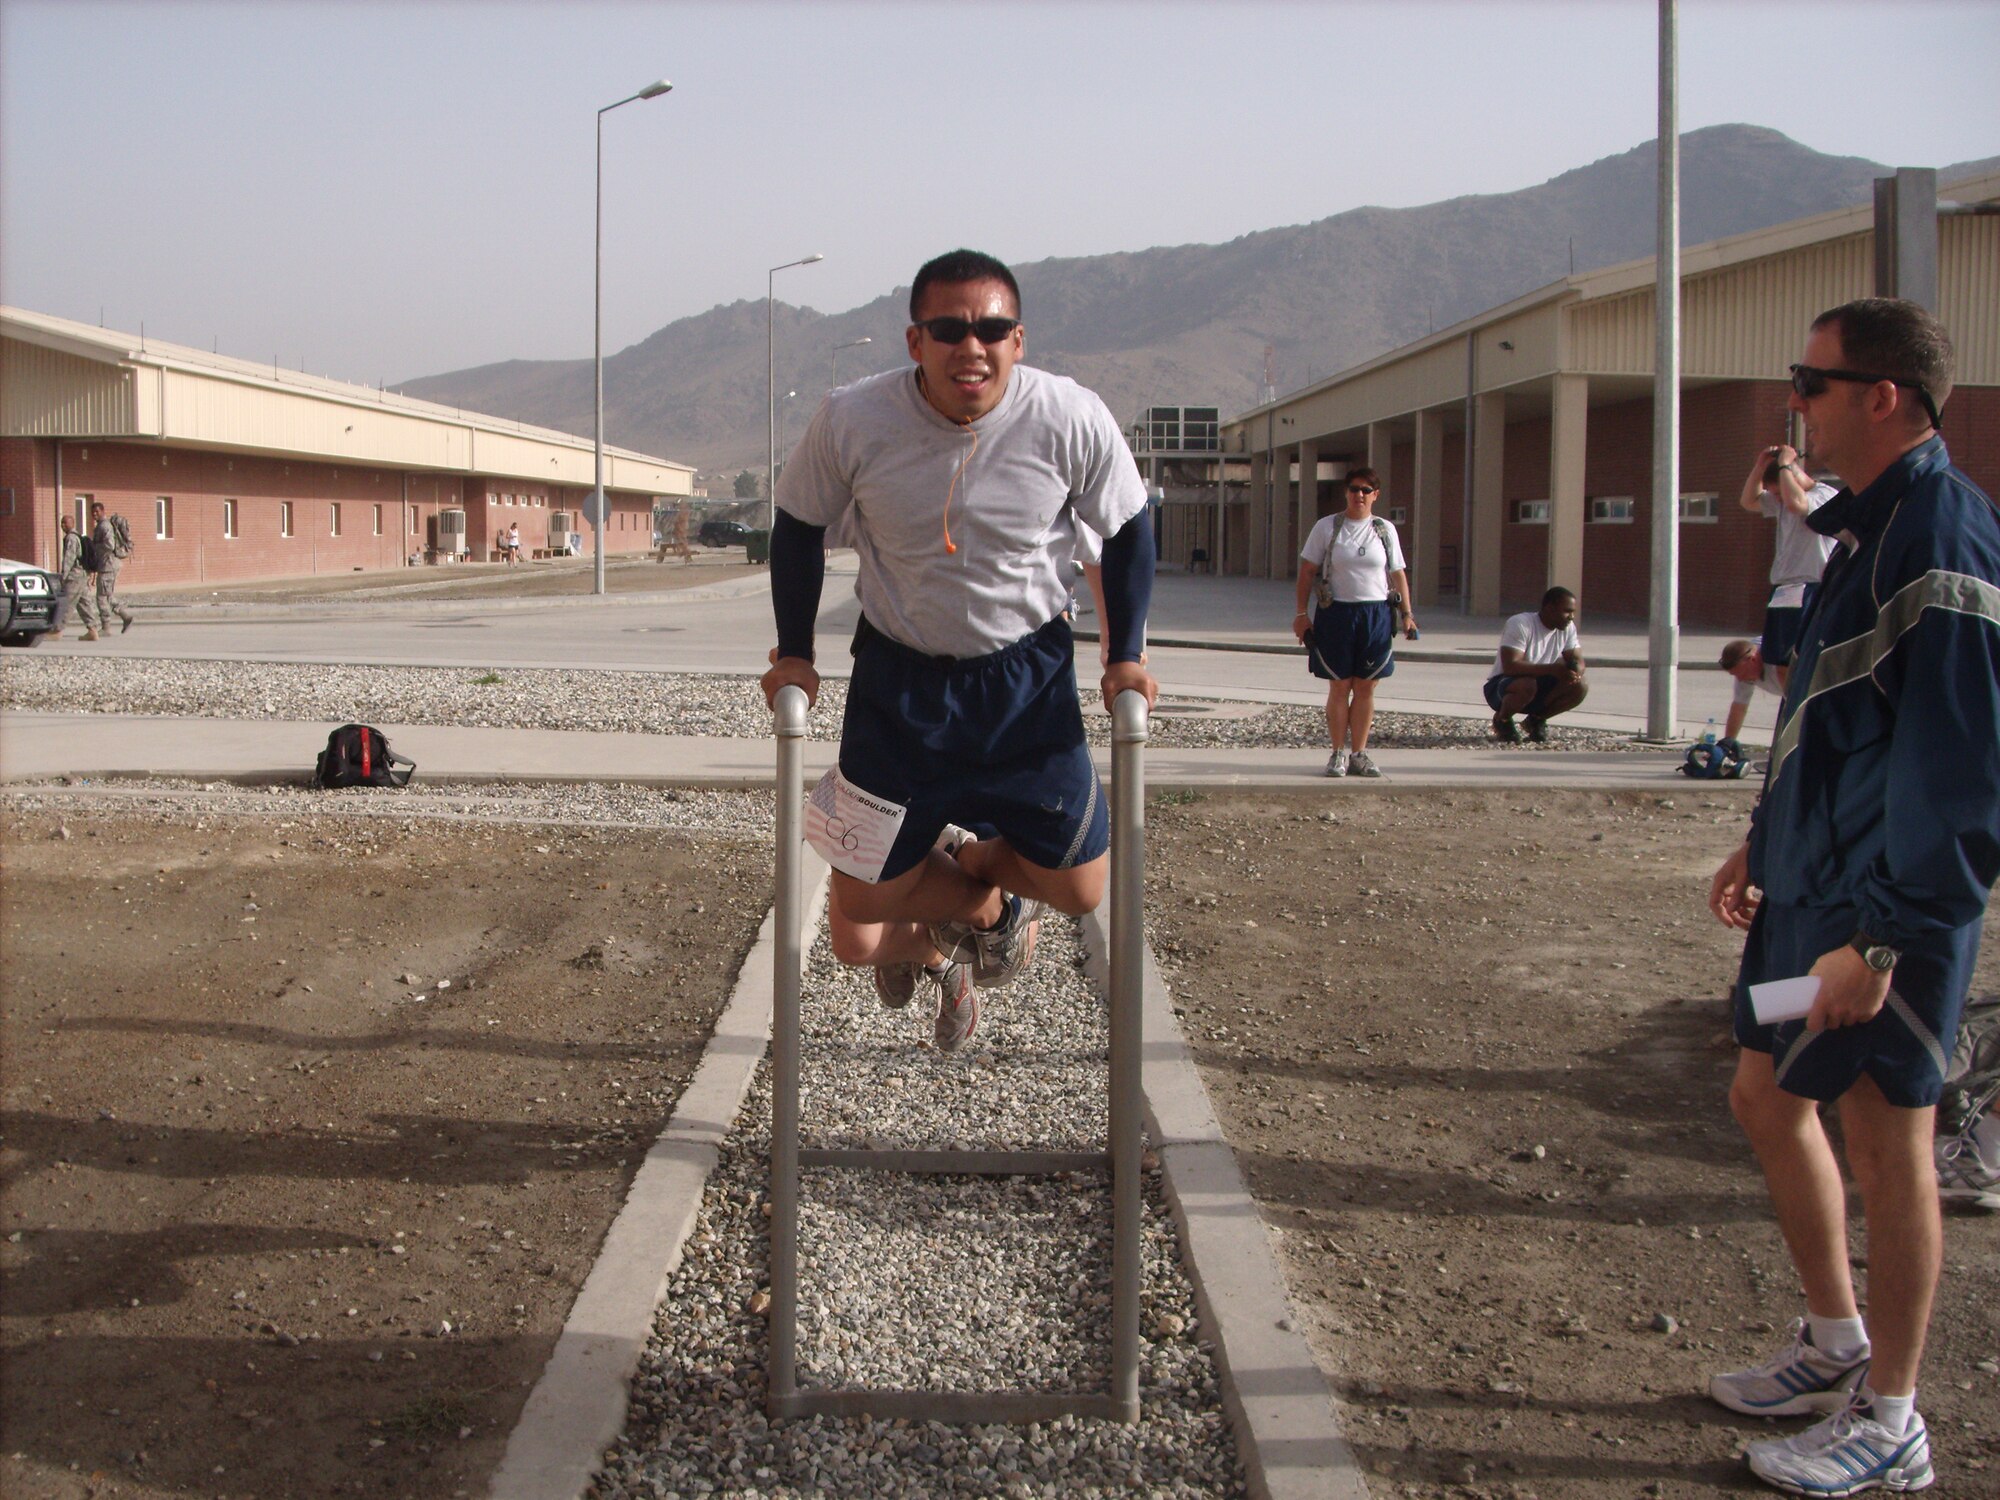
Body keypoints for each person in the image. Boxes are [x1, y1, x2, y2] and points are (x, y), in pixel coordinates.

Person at [1705, 298, 2000, 1496]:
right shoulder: (1865, 524)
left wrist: (1879, 943)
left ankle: (1891, 1419)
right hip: (1811, 892)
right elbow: (1830, 717)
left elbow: (1961, 776)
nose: (1795, 404)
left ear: (1883, 396)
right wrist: (1757, 839)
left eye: (1809, 382)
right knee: (1763, 1093)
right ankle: (1834, 1340)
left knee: (1888, 1145)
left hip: (1881, 920)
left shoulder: (1941, 538)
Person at [759, 248, 1156, 1055]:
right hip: (899, 687)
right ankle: (984, 910)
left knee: (1083, 888)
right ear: (916, 341)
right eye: (948, 330)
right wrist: (795, 652)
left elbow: (1128, 527)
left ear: (1018, 340)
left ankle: (974, 867)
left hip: (1024, 686)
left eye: (992, 329)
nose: (970, 346)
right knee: (861, 909)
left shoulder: (1068, 416)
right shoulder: (853, 417)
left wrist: (1126, 654)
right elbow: (798, 525)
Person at [1292, 467, 1417, 777]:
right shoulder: (1327, 527)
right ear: (1346, 492)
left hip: (1376, 614)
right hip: (1337, 613)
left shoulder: (1384, 529)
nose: (1359, 495)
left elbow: (1398, 573)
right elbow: (1307, 571)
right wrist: (1301, 614)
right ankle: (1337, 753)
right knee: (1340, 685)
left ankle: (1359, 753)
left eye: (1365, 490)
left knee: (1366, 686)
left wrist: (1407, 615)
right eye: (1353, 489)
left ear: (1375, 495)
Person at [1737, 440, 1838, 691]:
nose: (1778, 500)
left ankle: (1806, 706)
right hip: (1784, 589)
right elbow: (1749, 501)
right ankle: (1790, 706)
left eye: (1778, 494)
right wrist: (1760, 467)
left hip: (1809, 586)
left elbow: (1797, 504)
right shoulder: (1783, 498)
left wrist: (1784, 464)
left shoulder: (1824, 496)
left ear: (1792, 475)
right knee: (1779, 663)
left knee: (1801, 659)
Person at [1484, 587, 1587, 743]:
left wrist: (1575, 671)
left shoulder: (1567, 628)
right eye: (1567, 611)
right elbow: (1511, 666)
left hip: (1537, 684)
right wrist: (1552, 669)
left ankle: (1536, 720)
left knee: (1580, 686)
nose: (1571, 617)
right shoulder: (1521, 624)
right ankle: (1502, 720)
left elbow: (1579, 660)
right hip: (1502, 685)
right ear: (1550, 608)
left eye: (1573, 612)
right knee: (1528, 684)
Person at [1718, 637, 1784, 746]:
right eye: (1736, 675)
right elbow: (1739, 708)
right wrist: (1727, 745)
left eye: (1742, 674)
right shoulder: (1744, 666)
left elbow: (1798, 701)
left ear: (1753, 660)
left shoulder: (1777, 663)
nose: (1740, 680)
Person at [88, 501, 134, 633]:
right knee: (107, 595)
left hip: (108, 565)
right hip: (106, 564)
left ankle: (107, 626)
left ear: (103, 511)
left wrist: (94, 547)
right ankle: (125, 616)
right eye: (93, 512)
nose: (94, 514)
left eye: (97, 512)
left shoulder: (105, 526)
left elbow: (109, 545)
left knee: (102, 597)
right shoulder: (101, 525)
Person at [53, 514, 102, 640]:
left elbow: (69, 559)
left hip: (74, 576)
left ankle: (57, 630)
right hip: (82, 575)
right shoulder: (78, 536)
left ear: (72, 523)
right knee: (84, 603)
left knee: (67, 603)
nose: (63, 525)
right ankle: (92, 630)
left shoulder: (71, 538)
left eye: (65, 523)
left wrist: (63, 576)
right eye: (61, 523)